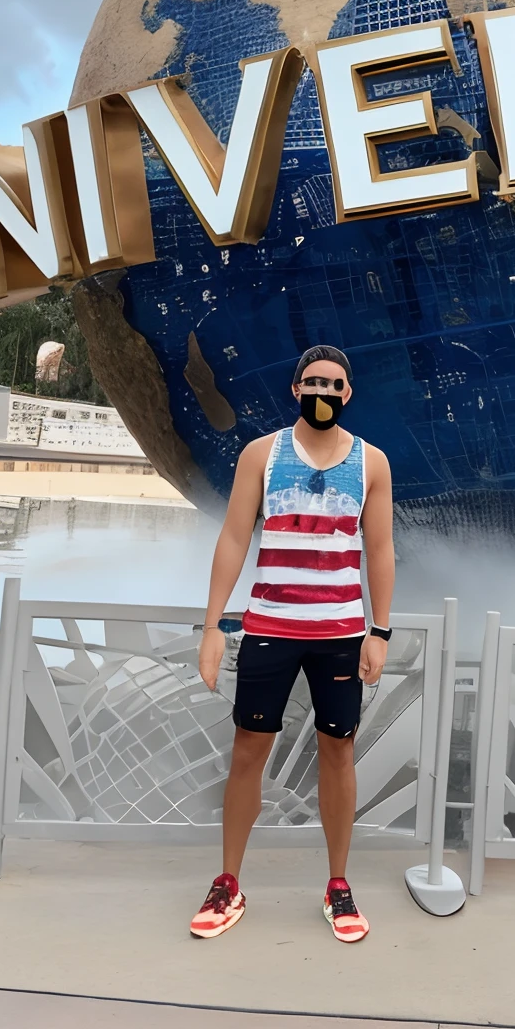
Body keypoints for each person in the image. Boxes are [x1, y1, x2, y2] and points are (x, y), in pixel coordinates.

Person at [191, 345, 394, 943]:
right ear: (295, 388)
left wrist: (379, 631)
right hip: (269, 628)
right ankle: (228, 881)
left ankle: (337, 885)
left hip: (338, 635)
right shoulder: (262, 453)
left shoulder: (372, 463)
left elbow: (379, 551)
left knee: (338, 751)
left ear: (348, 393)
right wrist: (211, 628)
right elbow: (233, 538)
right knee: (249, 750)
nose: (323, 393)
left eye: (334, 384)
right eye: (312, 382)